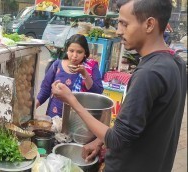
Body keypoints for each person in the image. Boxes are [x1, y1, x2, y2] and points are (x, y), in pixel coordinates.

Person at [51, 0, 186, 171]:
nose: (118, 30)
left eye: (124, 23)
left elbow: (117, 140)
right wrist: (100, 140)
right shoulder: (176, 62)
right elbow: (137, 124)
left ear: (150, 24)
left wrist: (71, 100)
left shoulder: (149, 74)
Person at [36, 34, 103, 118]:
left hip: (77, 120)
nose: (74, 56)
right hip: (54, 117)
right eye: (71, 51)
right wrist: (33, 107)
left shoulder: (91, 67)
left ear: (85, 53)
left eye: (79, 52)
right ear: (66, 50)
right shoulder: (57, 65)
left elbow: (98, 92)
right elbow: (45, 90)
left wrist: (84, 73)